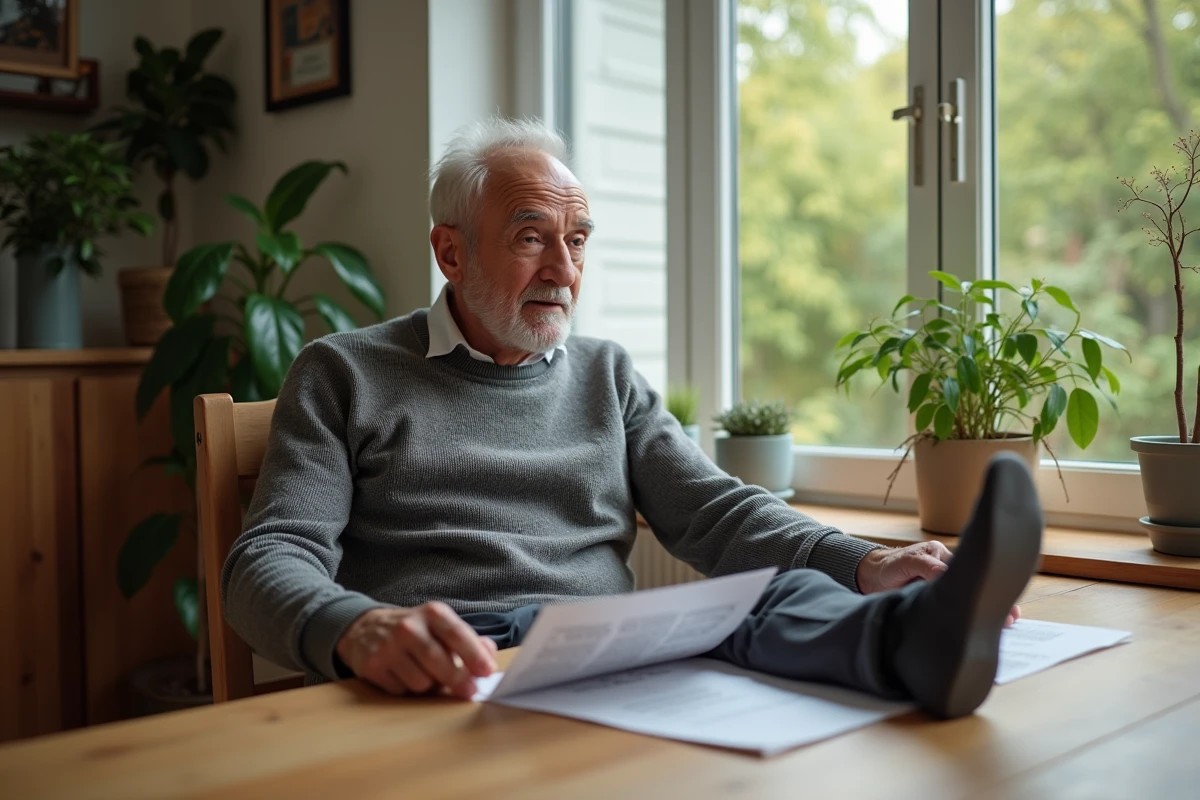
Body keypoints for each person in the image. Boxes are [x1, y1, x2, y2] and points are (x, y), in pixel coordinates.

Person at [222, 118, 1042, 720]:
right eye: (533, 237)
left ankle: (919, 638)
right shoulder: (343, 371)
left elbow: (715, 511)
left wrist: (865, 563)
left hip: (611, 648)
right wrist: (357, 626)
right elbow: (266, 559)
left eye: (578, 241)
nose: (564, 270)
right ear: (451, 252)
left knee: (771, 597)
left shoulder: (605, 374)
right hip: (467, 652)